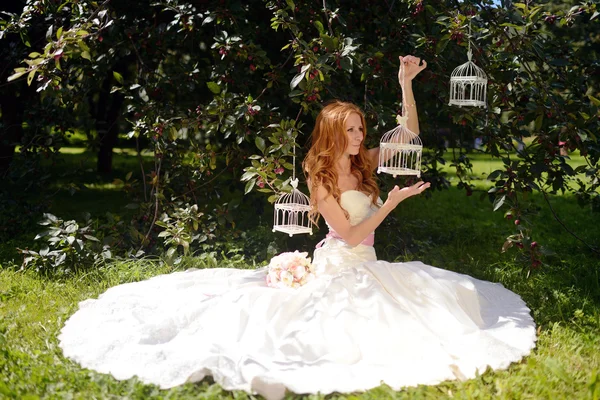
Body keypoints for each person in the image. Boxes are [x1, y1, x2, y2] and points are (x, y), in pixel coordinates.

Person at [58, 56, 536, 400]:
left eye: (361, 128)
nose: (360, 136)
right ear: (332, 133)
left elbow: (408, 135)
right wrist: (392, 203)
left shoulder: (366, 162)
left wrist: (405, 83)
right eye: (350, 130)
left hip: (368, 262)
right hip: (341, 261)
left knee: (427, 310)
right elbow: (349, 235)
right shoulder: (320, 175)